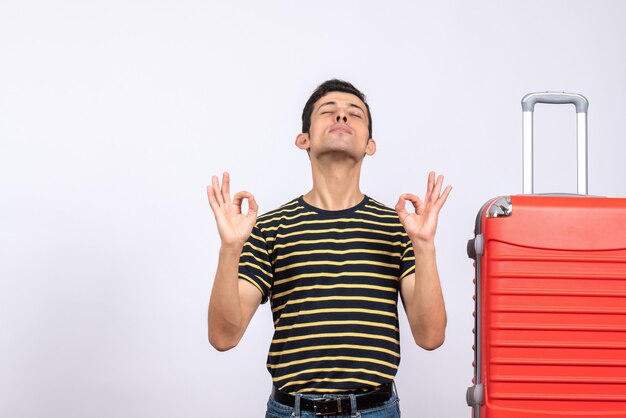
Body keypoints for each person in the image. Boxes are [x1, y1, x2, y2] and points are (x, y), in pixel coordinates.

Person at [207, 79, 451, 417]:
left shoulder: (399, 227)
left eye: (354, 114)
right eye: (328, 111)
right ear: (303, 139)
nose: (341, 117)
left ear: (370, 144)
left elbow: (430, 335)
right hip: (292, 411)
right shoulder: (270, 228)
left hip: (375, 411)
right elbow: (223, 336)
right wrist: (230, 248)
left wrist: (424, 246)